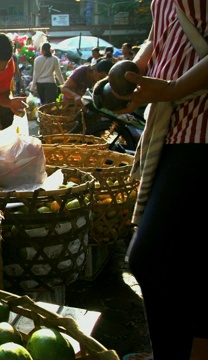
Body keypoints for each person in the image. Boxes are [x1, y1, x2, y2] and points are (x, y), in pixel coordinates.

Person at [112, 1, 208, 358]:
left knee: (151, 256)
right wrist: (133, 71)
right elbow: (159, 34)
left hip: (201, 127)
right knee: (188, 256)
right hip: (173, 126)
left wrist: (171, 88)